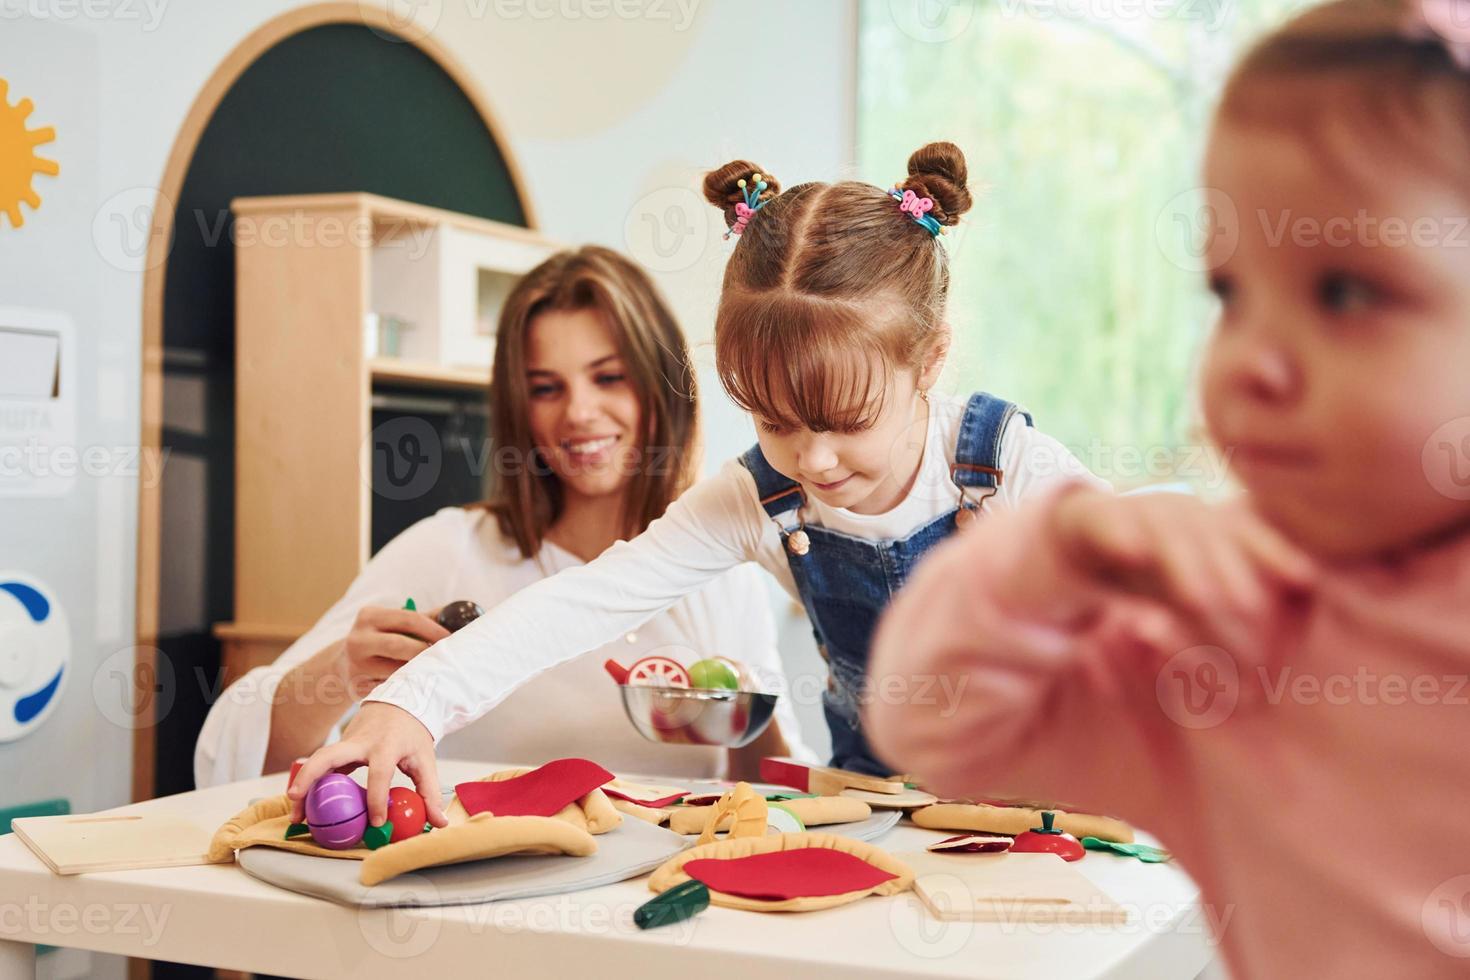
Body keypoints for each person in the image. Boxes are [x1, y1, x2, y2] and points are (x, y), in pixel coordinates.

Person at [865, 3, 1470, 976]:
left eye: (1346, 292)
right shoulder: (1231, 636)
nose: (1250, 363)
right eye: (1231, 293)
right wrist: (1055, 553)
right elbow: (930, 716)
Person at [288, 142, 1102, 829]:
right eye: (774, 421)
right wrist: (413, 703)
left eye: (846, 421)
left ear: (929, 362)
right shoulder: (755, 499)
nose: (813, 461)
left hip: (1044, 802)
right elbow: (581, 602)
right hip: (886, 809)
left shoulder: (1004, 470)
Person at [195, 246, 807, 787]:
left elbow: (763, 786)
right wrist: (340, 674)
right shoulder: (447, 551)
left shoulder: (721, 571)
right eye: (545, 388)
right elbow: (232, 760)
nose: (580, 413)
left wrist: (750, 714)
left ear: (662, 388)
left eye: (609, 378)